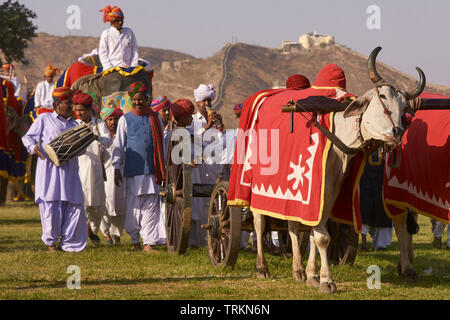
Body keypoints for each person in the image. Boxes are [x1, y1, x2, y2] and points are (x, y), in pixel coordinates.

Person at [21, 87, 88, 252]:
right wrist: (34, 148)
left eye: (71, 103)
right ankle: (51, 244)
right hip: (50, 172)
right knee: (51, 206)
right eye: (68, 103)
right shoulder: (44, 118)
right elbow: (28, 137)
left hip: (70, 172)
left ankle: (68, 244)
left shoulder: (75, 124)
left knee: (74, 206)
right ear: (58, 104)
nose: (71, 106)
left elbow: (82, 147)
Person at [112, 81, 165, 252]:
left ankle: (148, 243)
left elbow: (162, 145)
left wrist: (163, 167)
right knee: (134, 208)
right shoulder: (125, 120)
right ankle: (135, 241)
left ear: (147, 99)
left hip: (153, 170)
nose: (137, 102)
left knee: (151, 207)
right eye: (134, 100)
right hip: (133, 171)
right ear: (130, 100)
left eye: (140, 99)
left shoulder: (155, 118)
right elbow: (119, 145)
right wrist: (116, 167)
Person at [187, 84, 224, 248]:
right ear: (198, 103)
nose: (207, 104)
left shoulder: (215, 120)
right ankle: (194, 240)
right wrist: (206, 127)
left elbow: (221, 144)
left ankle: (210, 239)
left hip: (213, 168)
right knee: (197, 205)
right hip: (198, 168)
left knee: (211, 204)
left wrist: (220, 127)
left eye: (209, 100)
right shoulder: (193, 121)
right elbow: (191, 140)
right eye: (204, 101)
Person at [73, 90, 112, 246]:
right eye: (77, 110)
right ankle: (81, 232)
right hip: (78, 168)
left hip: (95, 169)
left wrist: (96, 137)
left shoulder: (98, 124)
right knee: (80, 202)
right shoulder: (74, 124)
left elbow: (108, 142)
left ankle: (92, 229)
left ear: (89, 109)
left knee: (97, 203)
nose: (79, 113)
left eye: (82, 110)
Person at [99, 104, 126, 245]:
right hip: (104, 176)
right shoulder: (101, 137)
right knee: (104, 204)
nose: (113, 122)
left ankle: (117, 234)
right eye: (110, 119)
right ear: (105, 121)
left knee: (120, 204)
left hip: (121, 175)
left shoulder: (124, 137)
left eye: (115, 119)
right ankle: (106, 234)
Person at [360, 147, 393, 251]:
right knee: (364, 212)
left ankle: (381, 244)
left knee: (383, 213)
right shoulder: (364, 139)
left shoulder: (387, 141)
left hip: (382, 180)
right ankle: (363, 243)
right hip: (364, 179)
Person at [98, 5, 139, 71]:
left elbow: (134, 49)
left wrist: (133, 66)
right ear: (112, 21)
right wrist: (109, 67)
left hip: (128, 68)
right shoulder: (106, 34)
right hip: (112, 69)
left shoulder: (129, 32)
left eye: (121, 20)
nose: (120, 22)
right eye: (117, 20)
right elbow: (102, 53)